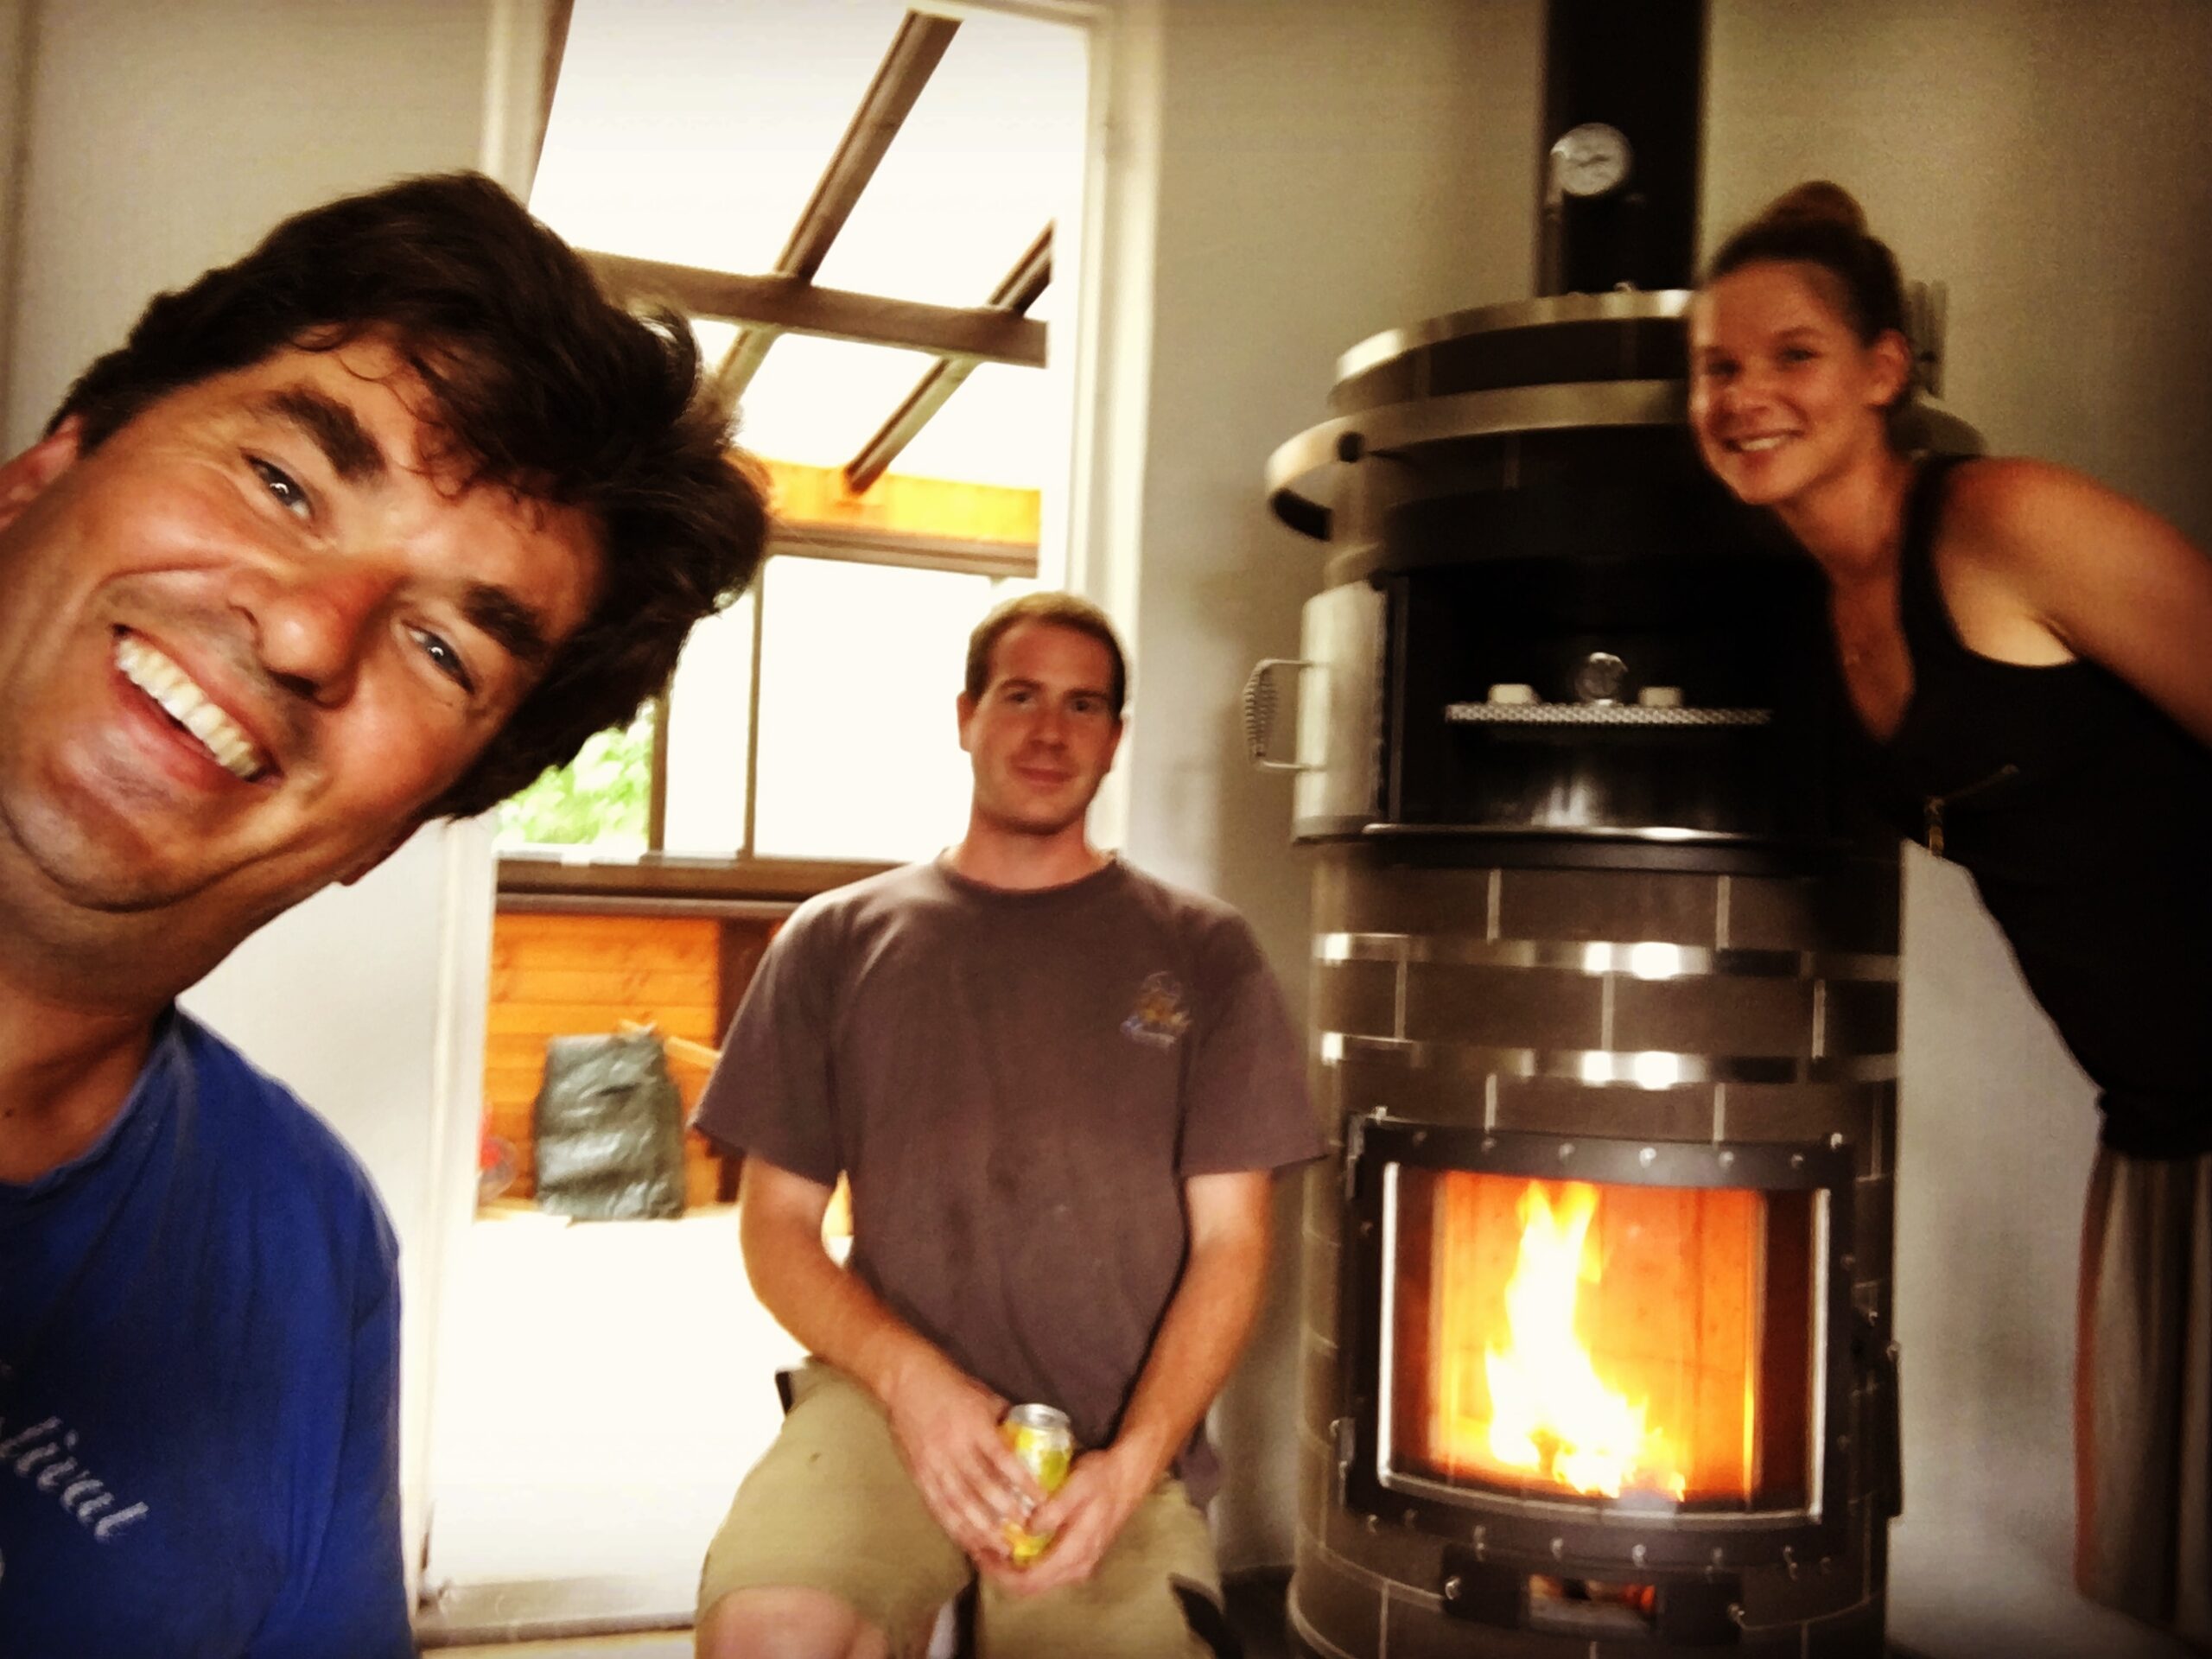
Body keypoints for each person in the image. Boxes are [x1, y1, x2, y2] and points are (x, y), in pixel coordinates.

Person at [0, 172, 768, 1656]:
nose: (306, 629)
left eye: (440, 649)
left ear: (405, 826)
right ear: (40, 475)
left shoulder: (310, 1250)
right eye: (283, 482)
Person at [1689, 181, 2212, 1649]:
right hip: (2161, 1122)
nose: (1744, 396)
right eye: (1717, 368)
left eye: (1792, 355)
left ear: (1884, 369)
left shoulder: (2005, 522)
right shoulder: (1818, 616)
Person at [690, 591, 1321, 1659]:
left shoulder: (1206, 952)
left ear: (1114, 740)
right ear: (965, 716)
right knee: (772, 1635)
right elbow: (776, 1231)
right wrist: (913, 1384)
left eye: (1083, 706)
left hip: (1117, 1436)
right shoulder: (834, 940)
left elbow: (1233, 1244)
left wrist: (1132, 1464)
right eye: (1020, 696)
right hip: (883, 1407)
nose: (1049, 732)